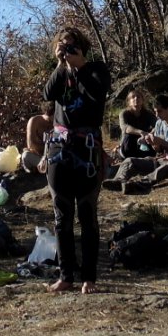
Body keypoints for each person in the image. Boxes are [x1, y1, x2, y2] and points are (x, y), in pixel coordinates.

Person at [41, 26, 110, 294]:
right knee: (61, 215)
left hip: (87, 149)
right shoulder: (60, 73)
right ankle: (66, 275)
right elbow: (48, 94)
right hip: (59, 149)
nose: (67, 49)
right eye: (63, 45)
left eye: (72, 45)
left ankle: (89, 278)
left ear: (82, 46)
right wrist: (61, 65)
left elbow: (97, 93)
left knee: (87, 214)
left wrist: (79, 65)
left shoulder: (96, 69)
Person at [117, 87, 156, 159]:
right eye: (133, 97)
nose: (136, 99)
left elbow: (157, 126)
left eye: (138, 97)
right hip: (129, 145)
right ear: (129, 101)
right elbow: (125, 127)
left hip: (144, 141)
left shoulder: (148, 114)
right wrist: (141, 132)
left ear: (142, 100)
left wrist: (150, 134)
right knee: (128, 136)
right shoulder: (124, 113)